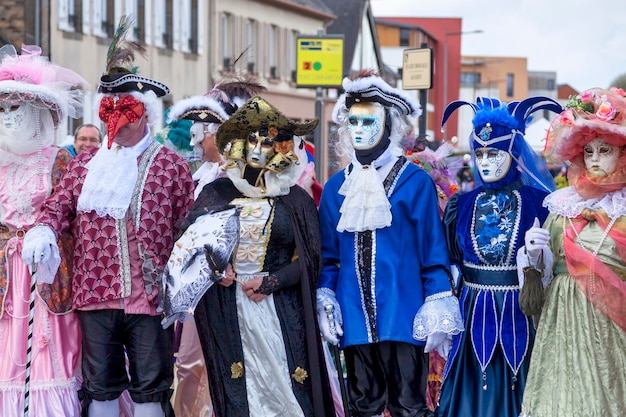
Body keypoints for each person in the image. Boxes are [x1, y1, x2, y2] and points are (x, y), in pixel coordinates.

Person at [22, 16, 194, 417]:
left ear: (144, 113)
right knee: (100, 384)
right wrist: (43, 230)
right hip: (94, 294)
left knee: (151, 386)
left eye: (124, 108)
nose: (114, 117)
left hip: (149, 300)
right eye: (107, 107)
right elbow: (57, 207)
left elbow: (187, 225)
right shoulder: (85, 164)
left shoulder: (171, 165)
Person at [162, 95, 335, 417]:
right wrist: (218, 266)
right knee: (239, 391)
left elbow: (312, 259)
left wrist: (273, 280)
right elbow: (188, 243)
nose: (259, 148)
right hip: (229, 309)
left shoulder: (295, 199)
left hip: (281, 311)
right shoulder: (217, 192)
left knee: (288, 390)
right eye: (252, 140)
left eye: (269, 140)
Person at [316, 70, 463, 417]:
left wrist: (438, 303)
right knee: (362, 406)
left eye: (369, 121)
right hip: (353, 319)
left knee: (408, 407)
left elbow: (434, 253)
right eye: (353, 121)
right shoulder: (336, 188)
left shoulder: (416, 182)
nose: (360, 130)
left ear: (389, 125)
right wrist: (326, 297)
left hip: (405, 316)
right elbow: (328, 257)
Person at [435, 96, 562, 417]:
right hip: (472, 310)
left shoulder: (539, 203)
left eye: (495, 153)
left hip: (521, 312)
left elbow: (556, 268)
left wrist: (538, 256)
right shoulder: (460, 205)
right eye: (480, 154)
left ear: (514, 153)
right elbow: (449, 261)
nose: (486, 162)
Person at [518, 87, 626, 417]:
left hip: (609, 334)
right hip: (560, 329)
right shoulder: (561, 208)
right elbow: (542, 277)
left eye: (604, 150)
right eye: (588, 151)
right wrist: (533, 258)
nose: (594, 159)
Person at [164, 78, 265, 417]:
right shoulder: (201, 175)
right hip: (200, 289)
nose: (193, 131)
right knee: (190, 365)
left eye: (200, 124)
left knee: (231, 366)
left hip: (235, 288)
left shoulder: (245, 175)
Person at [0, 44, 87, 417]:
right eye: (1, 110)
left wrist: (47, 239)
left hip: (46, 273)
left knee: (48, 346)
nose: (6, 118)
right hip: (7, 275)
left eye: (14, 109)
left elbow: (74, 219)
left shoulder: (60, 159)